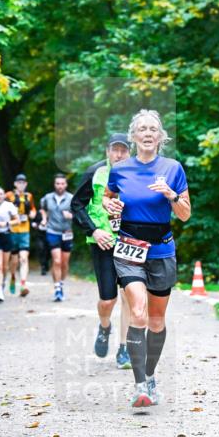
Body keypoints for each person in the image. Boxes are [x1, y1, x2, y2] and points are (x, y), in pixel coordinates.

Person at [103, 109, 191, 407]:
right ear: (134, 136)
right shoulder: (120, 169)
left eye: (153, 129)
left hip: (161, 249)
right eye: (142, 129)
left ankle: (150, 376)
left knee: (155, 320)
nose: (148, 133)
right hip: (129, 248)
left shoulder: (173, 168)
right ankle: (140, 386)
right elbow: (107, 198)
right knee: (138, 312)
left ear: (161, 136)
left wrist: (171, 195)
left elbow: (185, 214)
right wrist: (109, 207)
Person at [71, 132, 132, 370]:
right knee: (108, 300)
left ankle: (124, 348)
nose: (119, 154)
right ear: (107, 151)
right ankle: (105, 326)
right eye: (115, 150)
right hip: (102, 242)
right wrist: (94, 231)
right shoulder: (94, 172)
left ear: (130, 152)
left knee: (129, 295)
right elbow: (77, 205)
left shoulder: (137, 174)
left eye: (123, 150)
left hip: (129, 242)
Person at [39, 174, 74, 302]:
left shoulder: (71, 198)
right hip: (52, 231)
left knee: (64, 263)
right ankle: (57, 288)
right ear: (54, 185)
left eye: (62, 183)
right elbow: (42, 209)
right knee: (57, 261)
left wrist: (71, 216)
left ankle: (61, 283)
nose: (60, 186)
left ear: (66, 185)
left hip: (67, 233)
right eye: (58, 183)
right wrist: (44, 219)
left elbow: (79, 213)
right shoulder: (47, 198)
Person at [5, 174, 36, 297]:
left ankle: (23, 284)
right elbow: (2, 209)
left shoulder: (29, 196)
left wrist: (33, 213)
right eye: (19, 182)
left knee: (23, 258)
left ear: (26, 184)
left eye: (23, 183)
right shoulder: (9, 195)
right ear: (15, 184)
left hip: (25, 230)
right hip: (13, 230)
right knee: (14, 260)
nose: (21, 185)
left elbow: (33, 209)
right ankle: (13, 276)